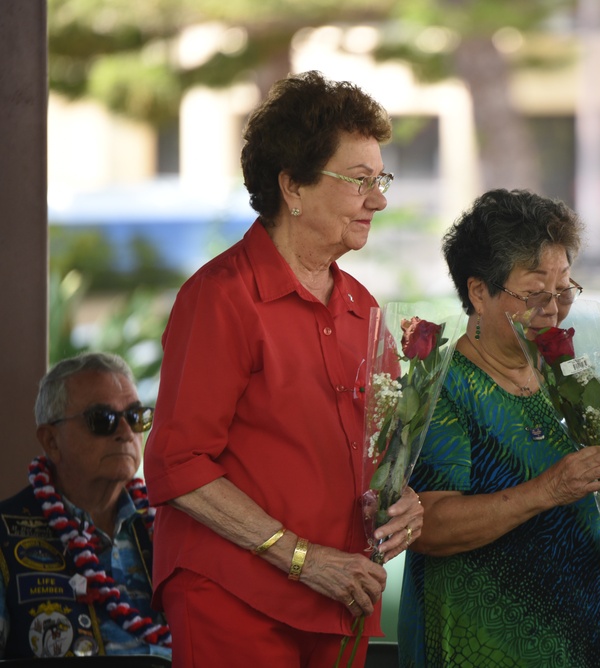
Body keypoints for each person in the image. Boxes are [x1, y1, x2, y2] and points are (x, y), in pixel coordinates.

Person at [143, 71, 423, 667]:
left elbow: (374, 452)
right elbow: (175, 462)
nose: (379, 199)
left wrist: (405, 501)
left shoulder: (363, 307)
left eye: (382, 180)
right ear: (293, 186)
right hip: (234, 595)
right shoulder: (222, 297)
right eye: (359, 180)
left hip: (339, 597)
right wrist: (301, 558)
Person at [397, 189, 600, 667]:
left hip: (577, 637)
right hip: (479, 643)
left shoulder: (563, 369)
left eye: (564, 291)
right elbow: (427, 524)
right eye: (534, 294)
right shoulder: (443, 384)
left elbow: (580, 502)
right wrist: (550, 489)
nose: (553, 309)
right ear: (478, 291)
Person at [0, 352, 171, 659]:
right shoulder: (4, 535)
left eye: (135, 417)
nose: (125, 433)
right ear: (52, 441)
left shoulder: (170, 528)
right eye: (102, 420)